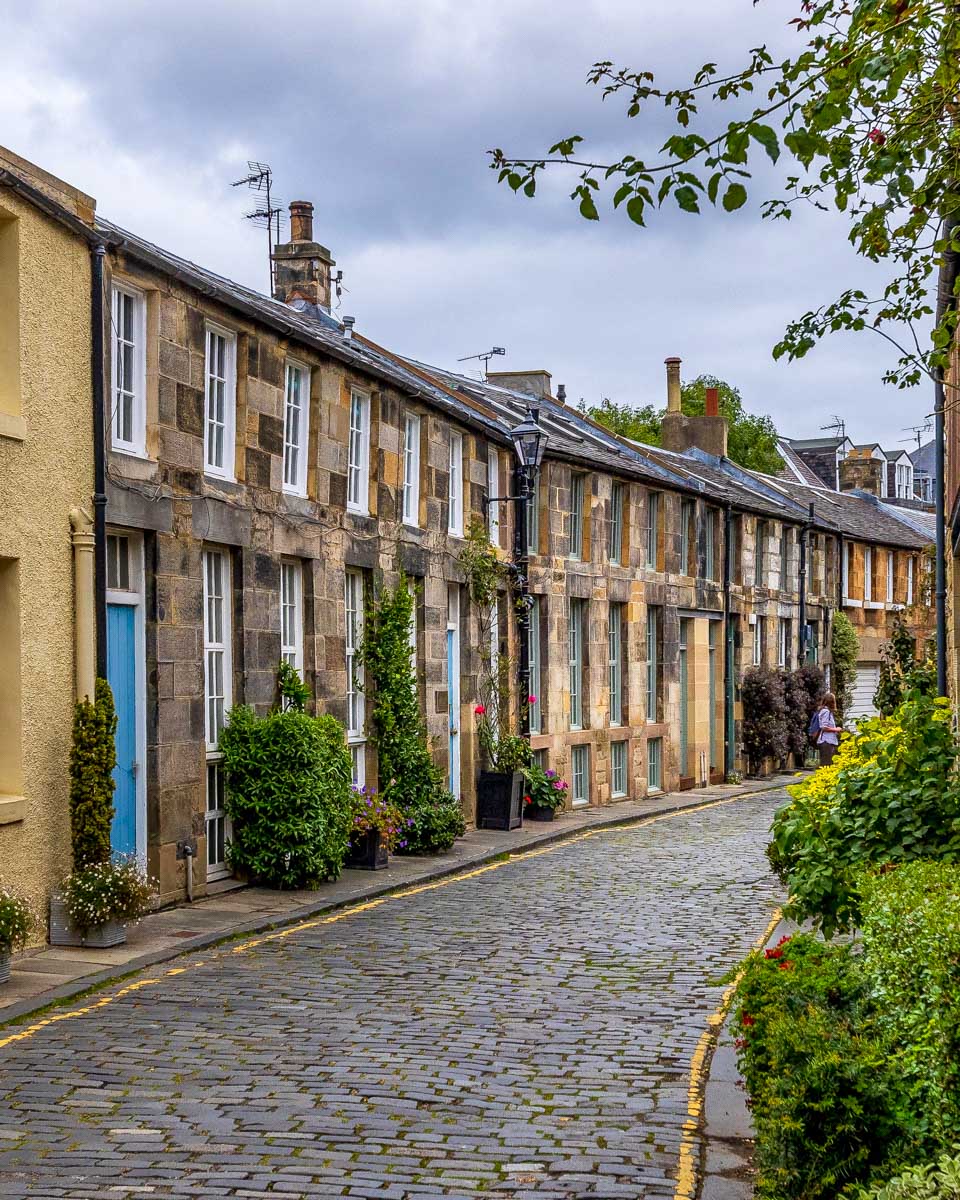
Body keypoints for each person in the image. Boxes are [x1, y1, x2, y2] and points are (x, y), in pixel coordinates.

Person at [815, 691, 843, 766]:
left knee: (828, 764)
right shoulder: (826, 712)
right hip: (826, 741)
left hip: (828, 741)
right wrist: (836, 729)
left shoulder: (826, 711)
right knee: (826, 765)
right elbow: (824, 727)